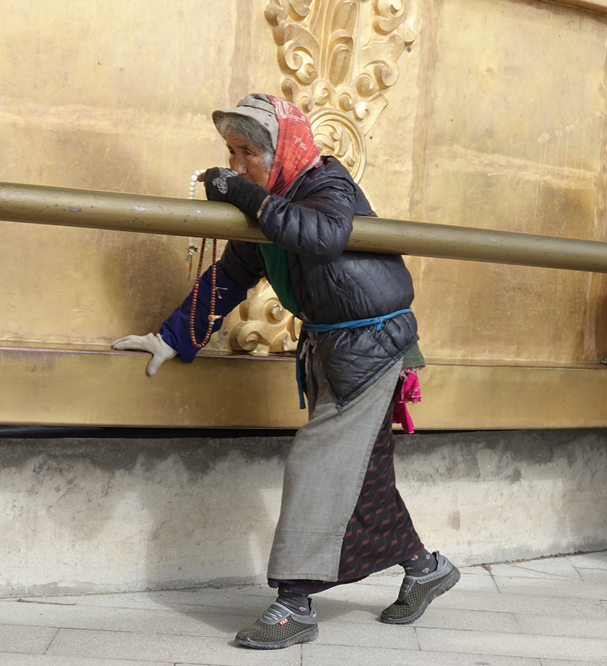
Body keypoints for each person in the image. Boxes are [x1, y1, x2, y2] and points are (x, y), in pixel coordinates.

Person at [111, 93, 459, 649]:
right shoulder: (270, 209)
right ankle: (426, 568)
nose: (236, 164)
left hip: (373, 345)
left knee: (317, 464)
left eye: (247, 153)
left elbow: (323, 236)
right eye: (230, 152)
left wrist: (243, 193)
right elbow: (231, 275)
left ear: (282, 150)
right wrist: (170, 339)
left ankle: (293, 604)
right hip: (332, 348)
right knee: (363, 476)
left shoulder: (327, 184)